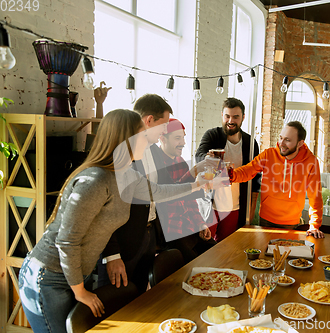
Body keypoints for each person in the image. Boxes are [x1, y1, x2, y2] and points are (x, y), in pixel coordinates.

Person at [18, 109, 208, 333]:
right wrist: (80, 291)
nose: (148, 140)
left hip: (76, 274)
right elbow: (67, 241)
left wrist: (197, 185)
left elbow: (158, 192)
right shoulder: (95, 180)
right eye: (142, 135)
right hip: (49, 276)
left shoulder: (126, 174)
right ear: (125, 139)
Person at [98, 94, 219, 293]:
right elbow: (106, 210)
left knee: (139, 298)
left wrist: (196, 183)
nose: (165, 130)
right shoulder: (121, 152)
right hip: (123, 244)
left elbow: (164, 190)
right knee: (117, 301)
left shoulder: (153, 152)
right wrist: (112, 254)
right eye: (164, 126)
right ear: (149, 121)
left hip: (147, 237)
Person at [230, 121, 324, 238]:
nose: (281, 143)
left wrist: (314, 225)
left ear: (300, 143)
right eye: (281, 138)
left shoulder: (311, 162)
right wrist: (230, 175)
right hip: (266, 219)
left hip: (291, 223)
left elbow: (315, 196)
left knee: (288, 255)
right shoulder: (268, 155)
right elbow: (247, 171)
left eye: (288, 140)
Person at [195, 97, 261, 241]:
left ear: (243, 118)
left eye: (236, 117)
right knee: (204, 246)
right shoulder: (212, 135)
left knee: (225, 248)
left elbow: (256, 177)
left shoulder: (250, 143)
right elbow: (199, 156)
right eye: (227, 116)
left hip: (234, 207)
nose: (230, 121)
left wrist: (251, 207)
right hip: (210, 205)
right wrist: (207, 158)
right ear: (222, 115)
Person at [153, 118, 216, 263]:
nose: (183, 143)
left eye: (183, 138)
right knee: (195, 266)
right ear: (162, 139)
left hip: (190, 227)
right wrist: (194, 171)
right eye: (177, 138)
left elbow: (190, 198)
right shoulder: (158, 165)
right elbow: (171, 193)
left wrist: (201, 223)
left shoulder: (180, 162)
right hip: (172, 232)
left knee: (216, 254)